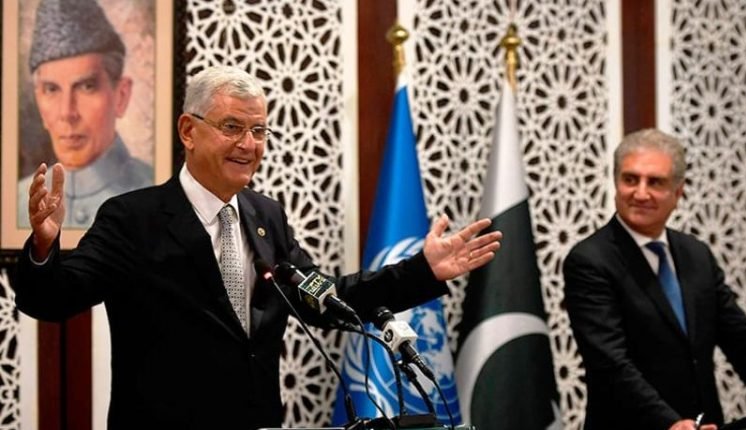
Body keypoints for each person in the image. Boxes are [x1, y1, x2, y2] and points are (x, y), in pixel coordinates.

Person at [15, 65, 503, 430]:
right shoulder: (132, 219)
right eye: (231, 127)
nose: (249, 144)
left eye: (258, 130)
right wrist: (43, 244)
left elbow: (327, 300)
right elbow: (53, 299)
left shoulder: (266, 217)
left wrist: (423, 270)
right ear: (188, 131)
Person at [563, 128, 746, 430]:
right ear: (615, 183)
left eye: (655, 182)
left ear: (678, 192)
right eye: (630, 179)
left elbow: (739, 337)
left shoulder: (697, 254)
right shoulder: (590, 261)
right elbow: (610, 363)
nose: (640, 193)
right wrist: (670, 423)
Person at [17, 0, 152, 228]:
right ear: (38, 100)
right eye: (51, 89)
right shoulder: (17, 202)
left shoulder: (157, 196)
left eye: (87, 87)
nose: (67, 112)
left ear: (121, 96)